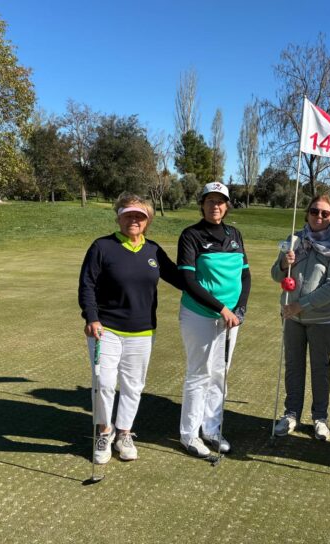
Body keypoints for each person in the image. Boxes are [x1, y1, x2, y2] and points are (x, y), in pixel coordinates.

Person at [78, 193, 183, 464]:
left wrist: (213, 291)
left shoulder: (153, 251)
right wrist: (91, 317)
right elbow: (87, 284)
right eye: (128, 215)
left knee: (133, 386)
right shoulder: (102, 247)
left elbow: (180, 278)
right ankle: (104, 431)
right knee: (103, 383)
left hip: (143, 331)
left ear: (147, 220)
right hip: (106, 328)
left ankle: (124, 433)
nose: (133, 220)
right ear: (119, 217)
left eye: (139, 216)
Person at [177, 182, 251, 458]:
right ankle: (189, 434)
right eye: (210, 201)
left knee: (220, 374)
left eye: (221, 201)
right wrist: (222, 309)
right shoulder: (191, 235)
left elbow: (245, 275)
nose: (216, 206)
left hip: (230, 319)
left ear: (227, 205)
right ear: (202, 204)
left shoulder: (234, 234)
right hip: (200, 315)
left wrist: (239, 309)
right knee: (199, 374)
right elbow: (188, 279)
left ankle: (211, 428)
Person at [271, 195, 330, 441]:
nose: (319, 216)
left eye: (325, 213)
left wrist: (300, 305)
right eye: (315, 211)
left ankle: (320, 418)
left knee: (319, 369)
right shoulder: (294, 240)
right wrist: (284, 262)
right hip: (292, 318)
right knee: (293, 366)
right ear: (307, 213)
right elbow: (275, 275)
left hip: (322, 319)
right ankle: (291, 414)